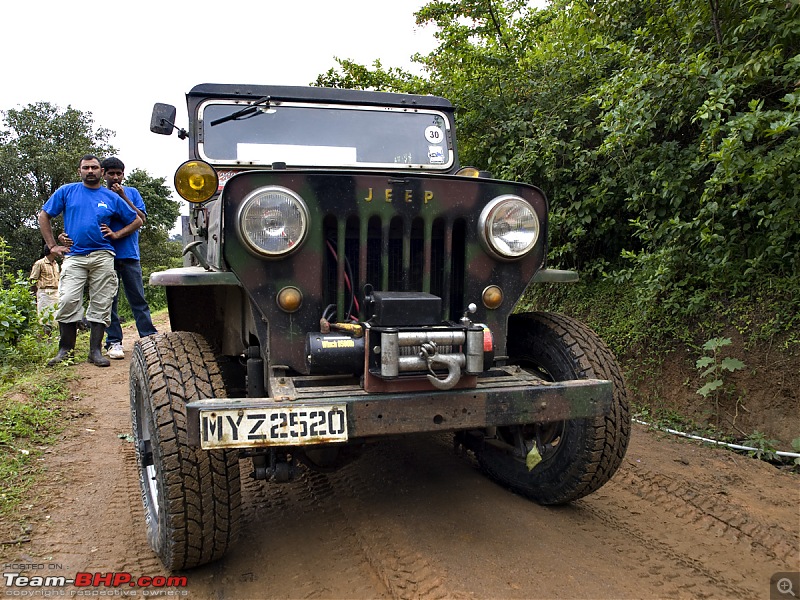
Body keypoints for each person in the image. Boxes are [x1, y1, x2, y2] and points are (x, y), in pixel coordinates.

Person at [39, 154, 142, 368]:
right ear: (79, 171)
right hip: (74, 255)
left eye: (94, 167)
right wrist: (52, 246)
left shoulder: (111, 197)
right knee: (67, 300)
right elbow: (44, 215)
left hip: (103, 255)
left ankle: (95, 351)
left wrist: (117, 234)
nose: (90, 171)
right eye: (86, 167)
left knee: (102, 302)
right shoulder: (67, 191)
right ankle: (65, 350)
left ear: (101, 172)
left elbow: (137, 220)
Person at [99, 157, 157, 359]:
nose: (115, 177)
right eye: (111, 173)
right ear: (103, 173)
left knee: (138, 299)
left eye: (119, 173)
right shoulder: (99, 194)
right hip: (106, 255)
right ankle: (113, 341)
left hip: (130, 255)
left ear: (123, 174)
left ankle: (148, 336)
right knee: (110, 301)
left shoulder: (132, 192)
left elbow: (142, 218)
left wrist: (123, 196)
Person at [29, 244, 60, 333]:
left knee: (55, 316)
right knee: (45, 317)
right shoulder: (40, 263)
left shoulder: (55, 264)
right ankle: (46, 338)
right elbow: (33, 280)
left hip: (56, 291)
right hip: (45, 292)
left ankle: (54, 337)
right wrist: (35, 295)